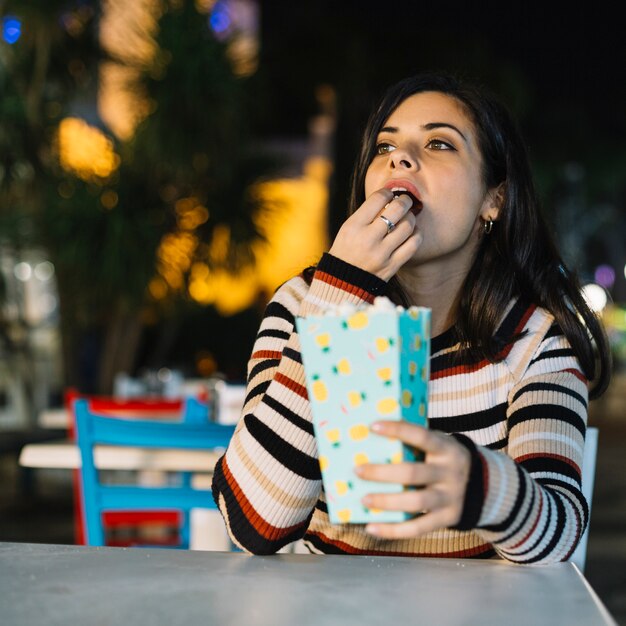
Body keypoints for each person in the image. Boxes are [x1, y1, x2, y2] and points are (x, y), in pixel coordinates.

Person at [211, 72, 611, 563]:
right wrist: (338, 296)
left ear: (494, 199)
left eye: (440, 143)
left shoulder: (534, 341)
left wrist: (486, 489)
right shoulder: (303, 303)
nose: (399, 158)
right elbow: (253, 524)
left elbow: (559, 532)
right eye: (384, 147)